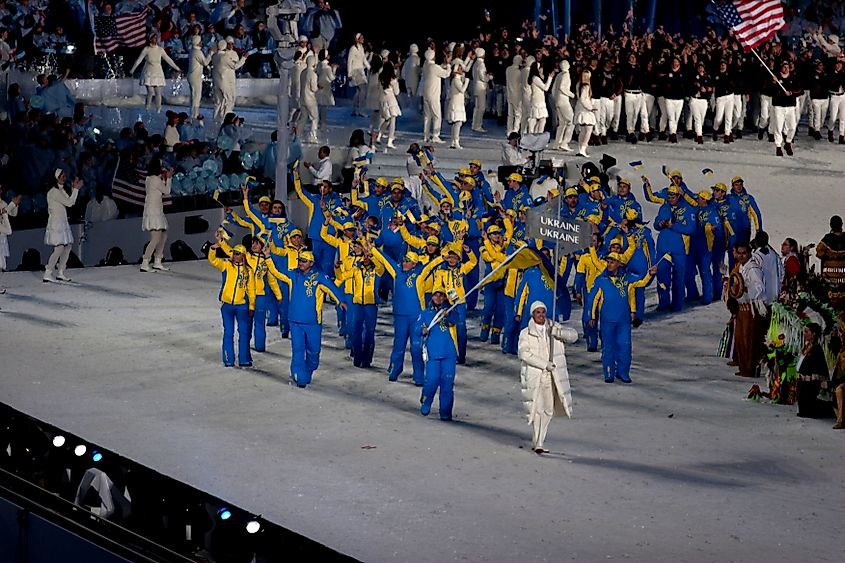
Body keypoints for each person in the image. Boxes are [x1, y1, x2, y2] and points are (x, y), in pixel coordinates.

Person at [264, 246, 347, 387]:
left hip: (313, 322)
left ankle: (308, 370)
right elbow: (276, 272)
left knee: (314, 352)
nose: (300, 263)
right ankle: (298, 375)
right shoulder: (293, 275)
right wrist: (267, 257)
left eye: (304, 261)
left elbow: (332, 288)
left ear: (311, 263)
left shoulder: (319, 277)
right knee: (298, 350)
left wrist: (340, 301)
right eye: (299, 260)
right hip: (295, 321)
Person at [518, 300, 578, 453]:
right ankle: (537, 441)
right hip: (537, 376)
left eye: (543, 312)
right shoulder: (526, 333)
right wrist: (544, 364)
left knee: (548, 410)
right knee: (537, 409)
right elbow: (524, 354)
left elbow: (573, 336)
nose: (541, 315)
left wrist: (558, 333)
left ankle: (540, 440)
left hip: (553, 376)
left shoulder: (553, 327)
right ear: (533, 314)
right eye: (538, 312)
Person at [586, 256, 656, 383]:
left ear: (618, 263)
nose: (609, 264)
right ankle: (608, 373)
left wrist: (650, 274)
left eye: (612, 262)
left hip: (623, 321)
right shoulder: (601, 280)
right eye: (608, 262)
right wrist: (591, 316)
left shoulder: (627, 278)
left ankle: (623, 373)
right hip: (607, 321)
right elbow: (593, 299)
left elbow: (641, 282)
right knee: (608, 348)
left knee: (625, 347)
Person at [371, 247, 426, 384]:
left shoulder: (420, 273)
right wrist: (372, 249)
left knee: (416, 347)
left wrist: (443, 257)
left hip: (416, 316)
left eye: (408, 261)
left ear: (414, 264)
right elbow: (385, 259)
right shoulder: (396, 272)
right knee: (398, 345)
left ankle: (419, 375)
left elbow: (432, 265)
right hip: (400, 316)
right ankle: (395, 369)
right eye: (404, 260)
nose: (404, 263)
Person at [207, 240, 256, 367]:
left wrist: (251, 305)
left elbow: (251, 289)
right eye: (234, 253)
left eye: (238, 253)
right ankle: (228, 359)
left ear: (243, 255)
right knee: (228, 332)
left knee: (244, 333)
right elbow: (213, 260)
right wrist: (213, 248)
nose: (235, 256)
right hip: (227, 305)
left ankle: (244, 359)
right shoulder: (227, 265)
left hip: (242, 306)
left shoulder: (248, 271)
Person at [416, 284, 459, 420]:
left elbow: (455, 321)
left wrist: (449, 314)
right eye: (436, 295)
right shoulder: (425, 313)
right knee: (432, 380)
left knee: (447, 383)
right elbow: (417, 328)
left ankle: (445, 412)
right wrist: (422, 331)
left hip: (449, 352)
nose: (438, 298)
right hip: (432, 352)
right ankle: (427, 400)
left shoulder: (449, 311)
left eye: (441, 295)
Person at [727, 242, 766, 378]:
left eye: (744, 253)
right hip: (741, 308)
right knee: (740, 340)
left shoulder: (753, 269)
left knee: (748, 340)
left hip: (751, 309)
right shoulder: (740, 267)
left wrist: (744, 289)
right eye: (740, 253)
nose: (742, 256)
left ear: (749, 254)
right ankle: (744, 367)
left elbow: (760, 288)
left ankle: (749, 369)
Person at [43, 170, 82, 283]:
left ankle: (60, 272)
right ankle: (48, 272)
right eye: (62, 176)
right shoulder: (54, 192)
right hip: (56, 223)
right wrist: (76, 189)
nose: (65, 178)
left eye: (65, 176)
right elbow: (69, 203)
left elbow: (71, 202)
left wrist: (75, 188)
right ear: (57, 178)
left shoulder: (60, 190)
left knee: (68, 246)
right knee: (59, 248)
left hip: (62, 222)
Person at [129, 33, 181, 112]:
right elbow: (139, 60)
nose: (155, 40)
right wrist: (132, 70)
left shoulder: (160, 49)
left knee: (158, 92)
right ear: (150, 39)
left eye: (156, 38)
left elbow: (168, 60)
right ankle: (147, 108)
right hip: (148, 71)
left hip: (157, 72)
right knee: (150, 92)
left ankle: (158, 109)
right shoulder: (146, 49)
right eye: (154, 38)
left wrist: (177, 68)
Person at [140, 158, 174, 272]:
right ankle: (145, 262)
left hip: (156, 209)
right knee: (155, 238)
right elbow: (166, 191)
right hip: (153, 210)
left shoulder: (150, 178)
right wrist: (168, 178)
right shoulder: (154, 179)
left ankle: (157, 260)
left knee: (163, 236)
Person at [796, 323, 833, 419]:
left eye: (807, 332)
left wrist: (820, 381)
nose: (804, 334)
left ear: (813, 334)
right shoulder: (807, 347)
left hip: (810, 385)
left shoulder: (817, 349)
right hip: (802, 383)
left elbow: (820, 368)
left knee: (810, 409)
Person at [211, 39, 249, 122]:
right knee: (229, 100)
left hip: (216, 82)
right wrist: (244, 58)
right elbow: (235, 66)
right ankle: (227, 119)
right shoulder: (224, 57)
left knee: (218, 102)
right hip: (224, 81)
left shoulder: (214, 56)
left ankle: (215, 119)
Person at [771, 61, 802, 157]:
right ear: (781, 68)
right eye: (784, 67)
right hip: (779, 106)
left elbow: (800, 91)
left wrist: (792, 93)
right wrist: (774, 83)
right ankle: (778, 146)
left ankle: (788, 142)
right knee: (778, 127)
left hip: (790, 106)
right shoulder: (775, 78)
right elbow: (770, 91)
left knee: (792, 127)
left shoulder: (793, 78)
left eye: (787, 67)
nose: (786, 69)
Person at [421, 49, 451, 143]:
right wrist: (448, 64)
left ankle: (426, 136)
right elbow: (446, 74)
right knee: (437, 115)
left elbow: (439, 68)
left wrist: (444, 65)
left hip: (425, 94)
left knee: (427, 116)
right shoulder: (433, 67)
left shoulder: (426, 65)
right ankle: (435, 136)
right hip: (433, 95)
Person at [551, 60, 575, 151]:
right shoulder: (566, 75)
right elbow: (562, 87)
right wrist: (571, 94)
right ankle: (565, 142)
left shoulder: (558, 75)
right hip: (564, 101)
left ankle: (557, 143)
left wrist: (555, 99)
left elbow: (553, 89)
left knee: (562, 123)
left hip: (557, 100)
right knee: (571, 121)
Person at [0, 188, 21, 291]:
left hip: (1, 236)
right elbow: (3, 213)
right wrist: (11, 205)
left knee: (1, 263)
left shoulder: (2, 202)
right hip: (2, 230)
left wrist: (15, 204)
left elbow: (12, 213)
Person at [377, 63, 401, 149]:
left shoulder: (380, 77)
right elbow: (397, 92)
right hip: (391, 101)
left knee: (386, 120)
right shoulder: (393, 79)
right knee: (392, 122)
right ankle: (390, 141)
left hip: (382, 100)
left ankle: (379, 136)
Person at [526, 60, 554, 134]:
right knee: (540, 119)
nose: (542, 69)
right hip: (538, 101)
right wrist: (550, 78)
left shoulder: (536, 78)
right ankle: (537, 134)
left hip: (538, 100)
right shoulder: (535, 78)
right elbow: (545, 88)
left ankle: (536, 134)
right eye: (541, 68)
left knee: (539, 119)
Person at [445, 62, 468, 149]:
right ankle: (455, 141)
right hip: (456, 103)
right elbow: (462, 90)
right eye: (460, 69)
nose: (462, 70)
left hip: (458, 102)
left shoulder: (457, 80)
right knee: (457, 123)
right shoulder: (456, 80)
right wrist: (466, 82)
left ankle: (454, 141)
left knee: (457, 123)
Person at [188, 35, 212, 119]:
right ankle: (194, 114)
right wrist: (210, 53)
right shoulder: (197, 52)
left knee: (194, 96)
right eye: (200, 41)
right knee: (196, 96)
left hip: (192, 76)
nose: (201, 43)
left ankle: (193, 113)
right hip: (195, 77)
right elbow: (205, 62)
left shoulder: (192, 50)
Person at [574, 70, 597, 157]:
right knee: (588, 129)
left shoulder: (578, 84)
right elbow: (583, 99)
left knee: (583, 130)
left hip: (580, 109)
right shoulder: (586, 86)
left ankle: (581, 149)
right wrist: (590, 108)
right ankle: (583, 148)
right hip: (585, 110)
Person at [347, 33, 369, 116]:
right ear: (357, 39)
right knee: (363, 90)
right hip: (355, 72)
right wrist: (349, 73)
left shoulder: (361, 48)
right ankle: (361, 110)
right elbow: (349, 61)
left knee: (359, 91)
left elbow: (364, 60)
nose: (363, 39)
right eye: (361, 38)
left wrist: (370, 68)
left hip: (360, 71)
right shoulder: (353, 48)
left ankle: (355, 109)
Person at [316, 49, 337, 135]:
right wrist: (334, 69)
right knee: (324, 108)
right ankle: (322, 126)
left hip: (319, 88)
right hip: (325, 89)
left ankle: (318, 124)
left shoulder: (319, 65)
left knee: (319, 108)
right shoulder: (327, 68)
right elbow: (332, 78)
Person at [470, 47, 489, 133]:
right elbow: (483, 77)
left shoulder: (475, 63)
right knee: (481, 107)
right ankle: (478, 125)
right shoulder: (481, 65)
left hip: (475, 86)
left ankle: (474, 124)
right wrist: (489, 77)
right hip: (481, 87)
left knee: (477, 107)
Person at [505, 54, 524, 135]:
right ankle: (515, 130)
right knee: (518, 114)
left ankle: (509, 130)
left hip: (509, 94)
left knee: (510, 114)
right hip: (517, 95)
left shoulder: (508, 69)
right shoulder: (519, 72)